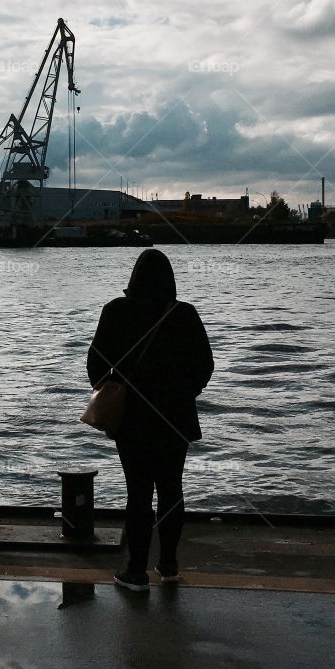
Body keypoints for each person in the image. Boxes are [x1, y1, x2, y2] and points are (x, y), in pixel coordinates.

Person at [87, 248, 214, 591]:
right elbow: (206, 366)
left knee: (138, 493)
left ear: (133, 279)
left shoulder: (115, 312)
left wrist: (115, 390)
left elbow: (95, 366)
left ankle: (136, 571)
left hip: (133, 419)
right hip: (176, 418)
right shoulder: (184, 314)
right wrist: (186, 393)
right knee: (172, 489)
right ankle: (169, 564)